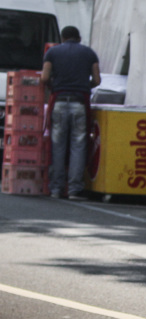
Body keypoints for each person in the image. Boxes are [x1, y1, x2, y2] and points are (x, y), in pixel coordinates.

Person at [41, 26, 100, 199]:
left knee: (57, 146)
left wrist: (56, 86)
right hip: (79, 104)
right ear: (79, 37)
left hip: (59, 102)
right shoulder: (89, 53)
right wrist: (83, 86)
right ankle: (74, 189)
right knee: (78, 146)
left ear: (63, 37)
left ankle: (56, 189)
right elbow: (97, 79)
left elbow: (44, 78)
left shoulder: (52, 53)